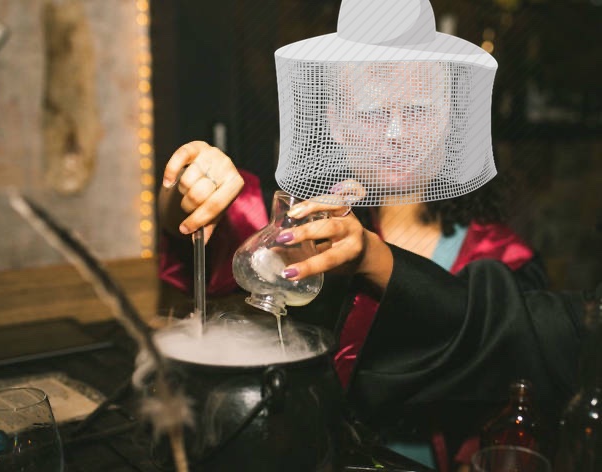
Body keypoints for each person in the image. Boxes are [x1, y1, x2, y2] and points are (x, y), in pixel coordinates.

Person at [157, 134, 557, 469]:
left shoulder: (504, 259)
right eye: (372, 112)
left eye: (416, 110)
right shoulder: (316, 222)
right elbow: (209, 228)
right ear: (337, 118)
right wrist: (190, 188)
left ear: (451, 119)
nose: (394, 132)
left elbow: (525, 382)